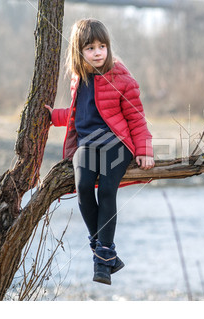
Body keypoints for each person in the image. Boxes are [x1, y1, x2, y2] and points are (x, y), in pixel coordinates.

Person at [45, 18, 155, 285]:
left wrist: (144, 150)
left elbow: (137, 118)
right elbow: (79, 112)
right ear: (78, 52)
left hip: (116, 144)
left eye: (102, 46)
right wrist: (53, 116)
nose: (97, 52)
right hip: (86, 145)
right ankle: (106, 252)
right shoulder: (78, 79)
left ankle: (102, 258)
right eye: (90, 48)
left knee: (106, 190)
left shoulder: (121, 78)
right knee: (83, 188)